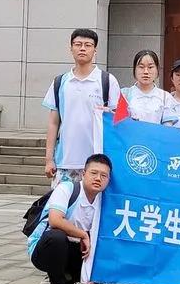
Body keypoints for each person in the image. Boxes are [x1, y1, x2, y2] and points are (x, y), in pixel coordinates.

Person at [28, 153, 112, 284]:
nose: (98, 178)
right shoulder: (67, 188)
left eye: (104, 176)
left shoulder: (104, 201)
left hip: (76, 251)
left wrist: (96, 274)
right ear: (84, 173)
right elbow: (55, 220)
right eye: (94, 173)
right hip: (45, 250)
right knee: (56, 236)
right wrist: (83, 234)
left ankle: (69, 283)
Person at [42, 28, 121, 187]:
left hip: (97, 163)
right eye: (78, 44)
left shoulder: (106, 80)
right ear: (71, 48)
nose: (82, 48)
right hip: (65, 162)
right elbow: (53, 123)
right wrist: (49, 159)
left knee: (93, 203)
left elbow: (118, 120)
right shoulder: (60, 82)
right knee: (63, 202)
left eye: (88, 45)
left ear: (95, 50)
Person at [124, 50, 173, 124]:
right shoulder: (124, 94)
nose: (146, 72)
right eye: (141, 67)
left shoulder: (165, 97)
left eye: (150, 67)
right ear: (134, 70)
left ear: (157, 70)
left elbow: (168, 126)